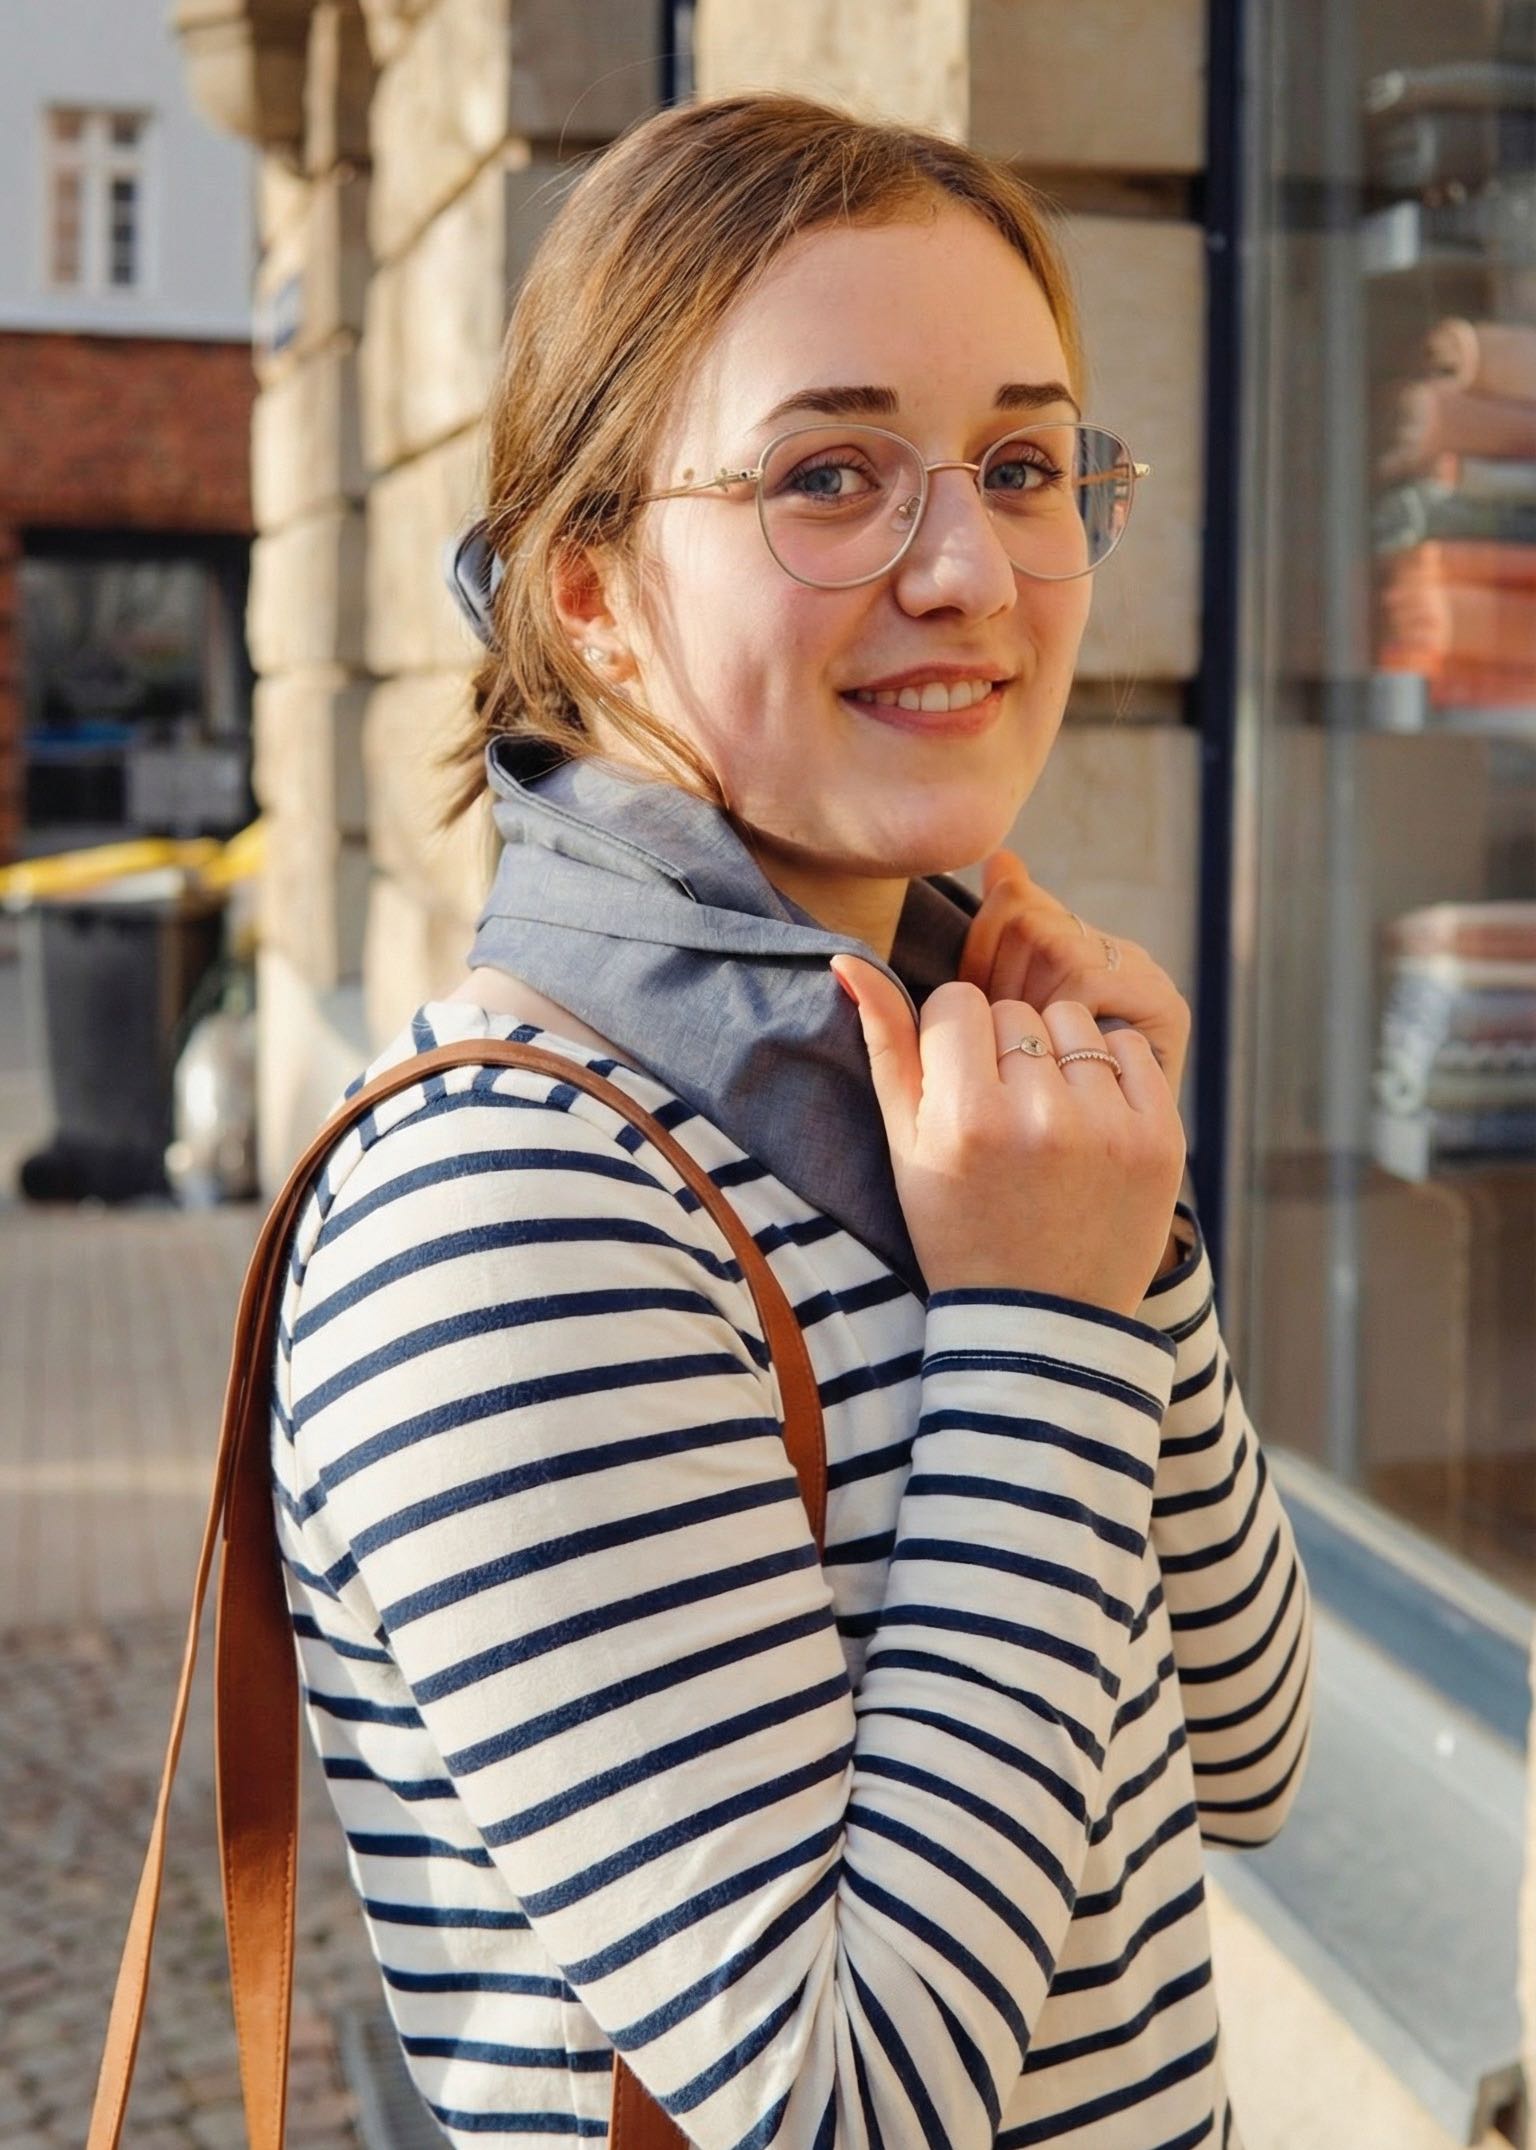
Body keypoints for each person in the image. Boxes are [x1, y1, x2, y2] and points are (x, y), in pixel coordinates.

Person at [273, 91, 1313, 2150]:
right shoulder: (510, 1207)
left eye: (1022, 464)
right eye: (829, 475)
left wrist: (1125, 1238)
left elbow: (1250, 1752)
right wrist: (1046, 1326)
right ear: (588, 591)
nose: (969, 567)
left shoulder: (955, 1099)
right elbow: (837, 2108)